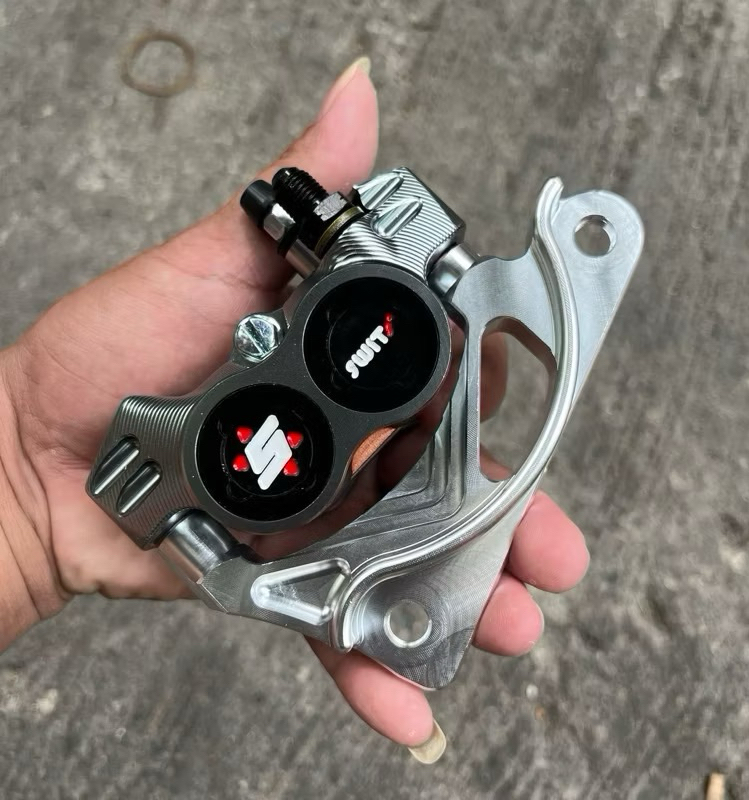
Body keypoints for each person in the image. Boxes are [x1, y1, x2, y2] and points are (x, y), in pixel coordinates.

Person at [0, 57, 589, 760]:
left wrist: (26, 505)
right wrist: (23, 508)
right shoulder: (172, 465)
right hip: (321, 400)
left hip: (358, 347)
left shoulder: (173, 462)